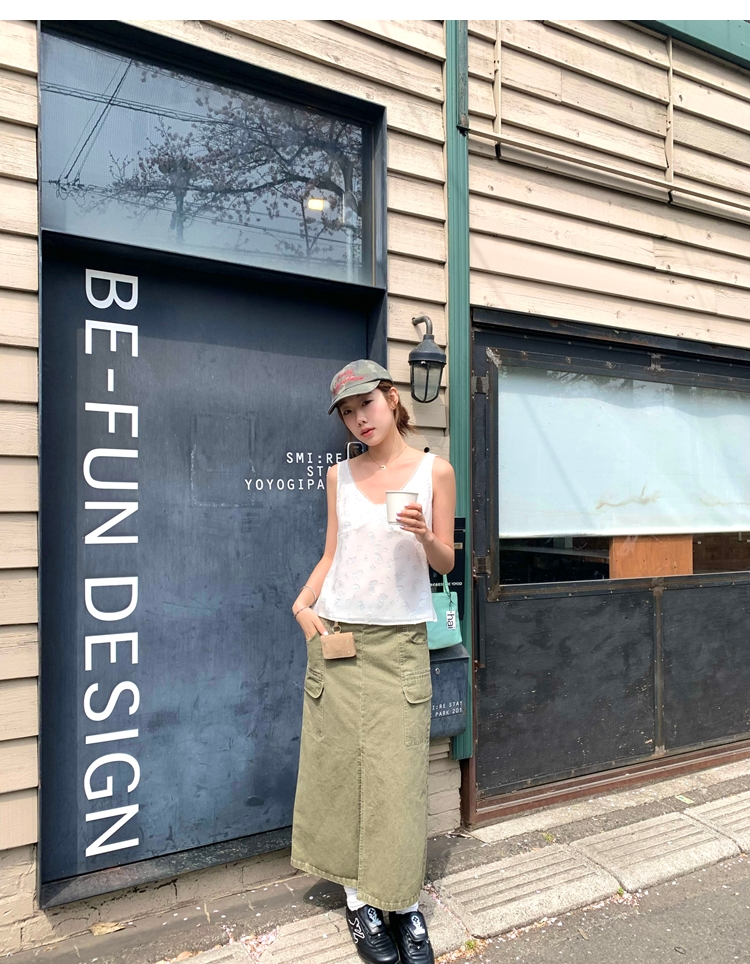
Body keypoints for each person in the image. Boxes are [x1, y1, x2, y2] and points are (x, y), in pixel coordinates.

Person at [290, 359, 456, 964]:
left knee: (398, 780)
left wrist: (423, 534)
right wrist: (302, 605)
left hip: (400, 646)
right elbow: (331, 554)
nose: (359, 418)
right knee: (340, 775)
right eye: (347, 411)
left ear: (391, 398)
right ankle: (360, 902)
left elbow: (445, 562)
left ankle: (403, 903)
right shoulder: (338, 475)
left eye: (367, 403)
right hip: (339, 640)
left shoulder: (435, 471)